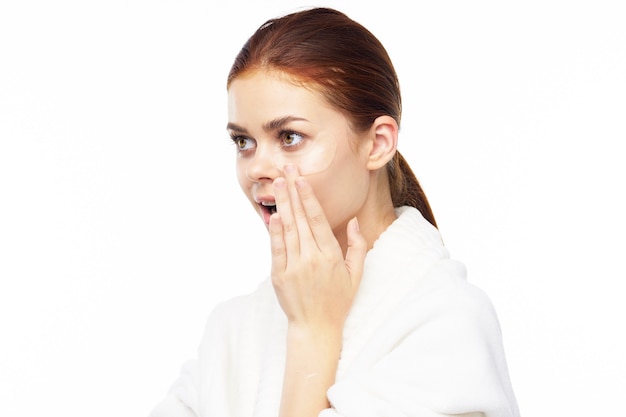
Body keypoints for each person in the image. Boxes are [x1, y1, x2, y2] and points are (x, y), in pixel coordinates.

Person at [150, 7, 520, 417]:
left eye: (290, 137)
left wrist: (314, 333)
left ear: (378, 143)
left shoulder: (448, 326)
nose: (256, 168)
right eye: (243, 142)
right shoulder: (231, 331)